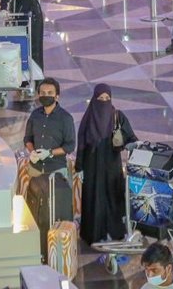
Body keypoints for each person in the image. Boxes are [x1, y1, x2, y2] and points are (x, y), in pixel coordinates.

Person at [76, 83, 138, 244]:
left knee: (112, 195)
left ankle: (114, 231)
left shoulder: (117, 116)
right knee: (93, 197)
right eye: (100, 98)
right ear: (94, 99)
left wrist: (131, 145)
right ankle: (94, 234)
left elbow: (131, 137)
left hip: (112, 164)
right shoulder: (89, 118)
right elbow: (81, 143)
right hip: (92, 165)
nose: (104, 101)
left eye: (107, 98)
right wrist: (79, 166)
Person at [24, 78, 76, 177]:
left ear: (56, 97)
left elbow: (69, 146)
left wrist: (49, 153)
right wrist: (32, 152)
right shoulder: (35, 115)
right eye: (43, 93)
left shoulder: (65, 118)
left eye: (50, 92)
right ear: (38, 95)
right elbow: (28, 138)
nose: (46, 95)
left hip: (56, 169)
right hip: (35, 168)